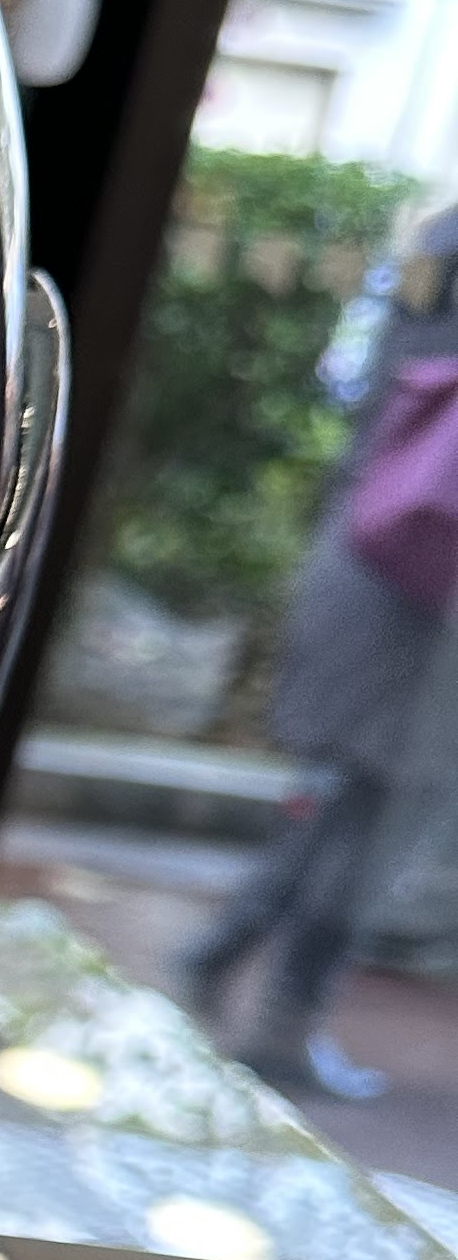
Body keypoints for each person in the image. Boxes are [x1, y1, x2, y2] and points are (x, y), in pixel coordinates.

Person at [180, 200, 458, 1101]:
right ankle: (280, 1023)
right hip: (420, 594)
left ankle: (226, 959)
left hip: (369, 552)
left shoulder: (433, 250)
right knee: (373, 819)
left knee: (340, 799)